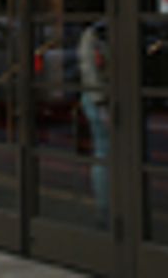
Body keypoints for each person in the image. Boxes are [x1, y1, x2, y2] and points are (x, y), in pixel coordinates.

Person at [77, 19, 109, 225]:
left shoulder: (97, 34)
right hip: (100, 101)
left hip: (103, 99)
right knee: (104, 153)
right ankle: (104, 209)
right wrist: (101, 103)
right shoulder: (94, 36)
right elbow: (90, 71)